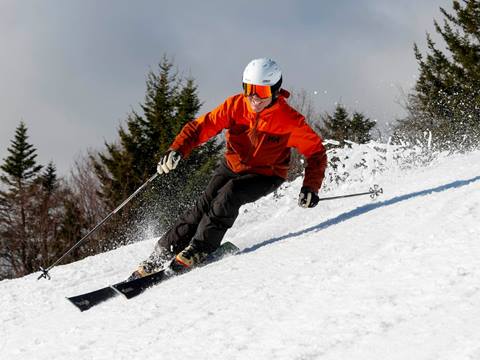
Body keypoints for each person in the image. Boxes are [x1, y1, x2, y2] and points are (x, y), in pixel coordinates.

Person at [129, 58, 328, 279]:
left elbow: (316, 153)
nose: (254, 97)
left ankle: (201, 247)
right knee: (203, 204)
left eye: (260, 91)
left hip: (266, 174)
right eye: (249, 89)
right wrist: (178, 149)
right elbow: (202, 126)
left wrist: (311, 187)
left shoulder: (289, 120)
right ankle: (163, 252)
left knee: (229, 194)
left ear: (275, 90)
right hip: (232, 165)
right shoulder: (235, 106)